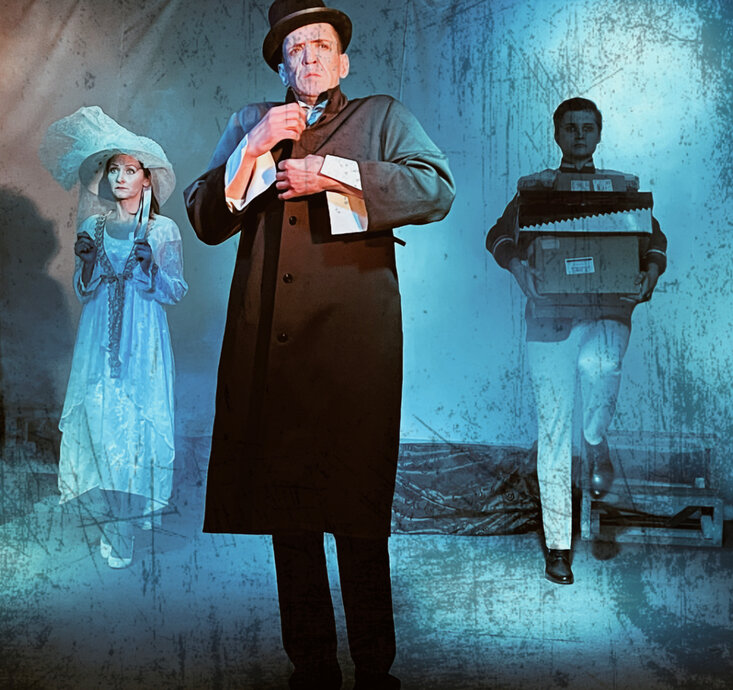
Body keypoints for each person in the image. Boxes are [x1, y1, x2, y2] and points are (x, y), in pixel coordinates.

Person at [184, 0, 454, 686]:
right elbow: (205, 219)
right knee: (291, 521)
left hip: (353, 346)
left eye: (320, 45)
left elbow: (435, 187)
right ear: (280, 65)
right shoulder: (251, 121)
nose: (307, 57)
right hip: (272, 346)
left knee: (357, 514)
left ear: (343, 61)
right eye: (294, 48)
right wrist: (252, 147)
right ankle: (311, 669)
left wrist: (331, 173)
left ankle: (375, 669)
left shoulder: (381, 114)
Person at [486, 97, 667, 585]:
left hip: (607, 311)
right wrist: (517, 265)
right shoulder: (535, 191)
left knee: (600, 367)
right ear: (557, 134)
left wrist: (650, 271)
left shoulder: (622, 189)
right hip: (549, 319)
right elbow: (499, 235)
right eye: (571, 128)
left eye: (589, 127)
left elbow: (654, 239)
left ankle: (595, 440)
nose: (580, 135)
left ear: (599, 134)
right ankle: (559, 547)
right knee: (552, 430)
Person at [40, 106, 187, 568]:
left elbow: (175, 291)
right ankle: (114, 522)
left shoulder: (162, 229)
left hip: (143, 340)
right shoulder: (93, 227)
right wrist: (86, 264)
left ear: (147, 179)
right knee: (100, 428)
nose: (120, 178)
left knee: (135, 428)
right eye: (114, 170)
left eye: (130, 170)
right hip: (98, 341)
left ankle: (124, 525)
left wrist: (150, 267)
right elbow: (84, 291)